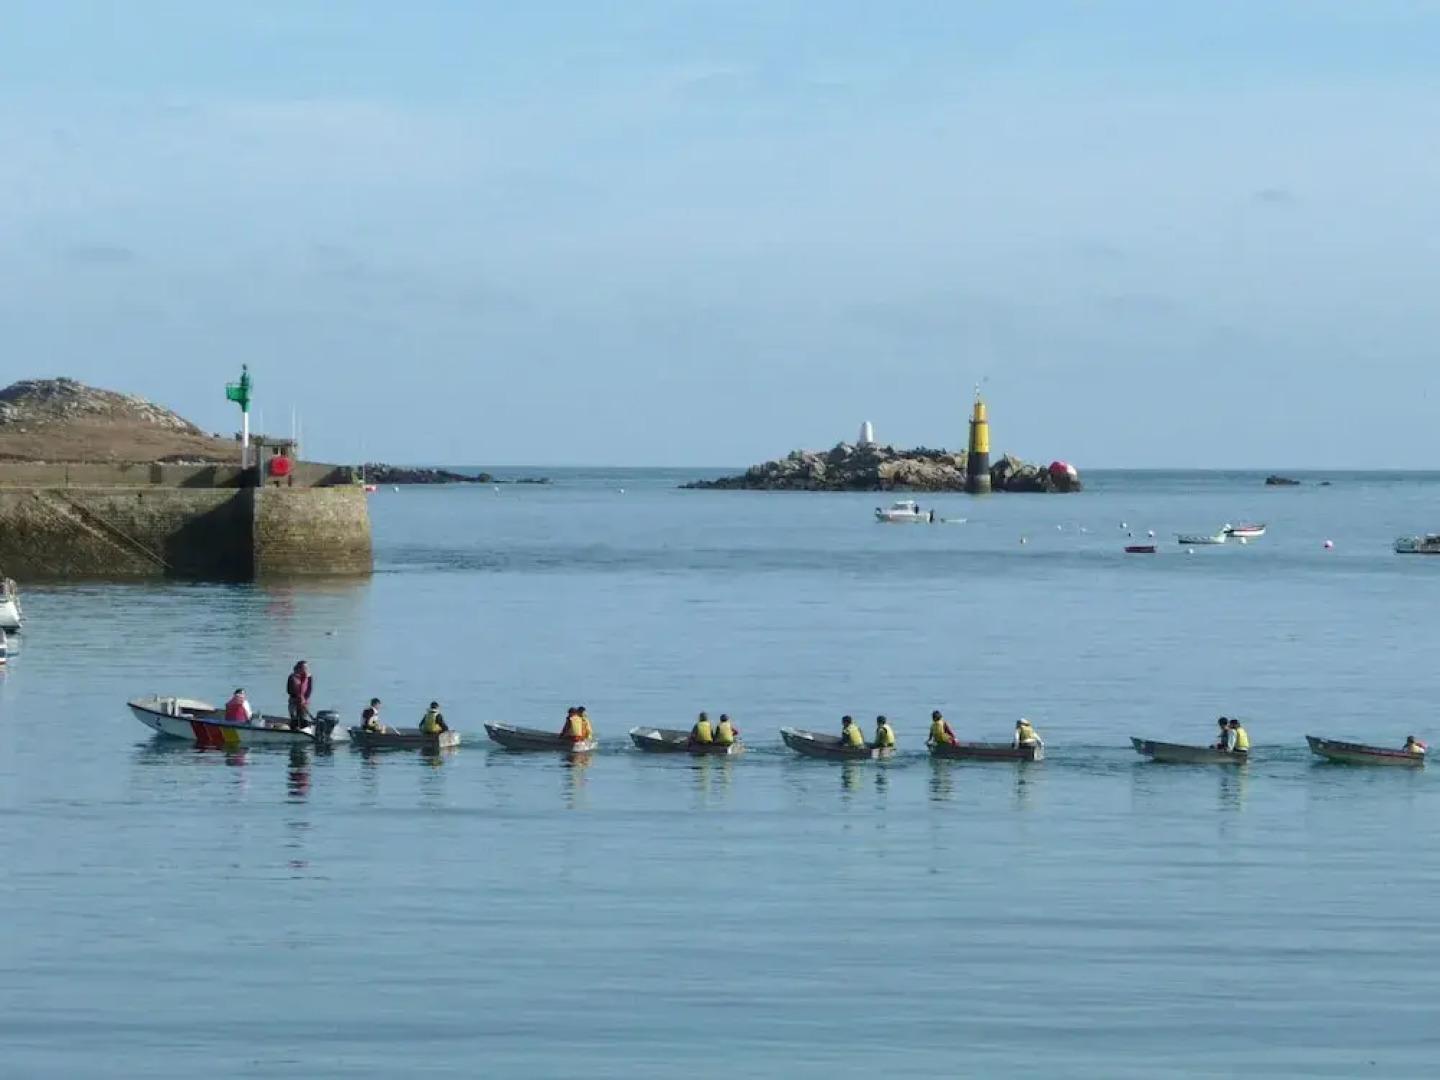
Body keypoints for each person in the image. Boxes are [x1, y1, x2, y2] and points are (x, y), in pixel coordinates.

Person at [286, 661, 312, 728]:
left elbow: (309, 689)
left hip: (304, 701)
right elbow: (289, 690)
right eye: (303, 667)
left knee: (303, 718)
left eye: (306, 667)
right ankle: (294, 729)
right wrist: (297, 697)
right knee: (294, 717)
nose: (305, 669)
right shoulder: (292, 677)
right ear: (299, 668)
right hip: (294, 700)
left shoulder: (309, 677)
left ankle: (304, 730)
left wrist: (304, 699)